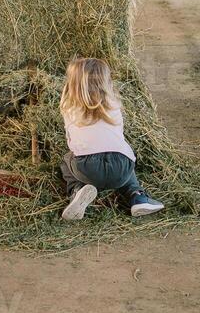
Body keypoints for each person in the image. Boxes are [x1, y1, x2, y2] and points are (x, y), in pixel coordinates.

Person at [58, 57, 165, 220]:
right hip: (121, 167)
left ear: (72, 84)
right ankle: (137, 196)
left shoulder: (68, 106)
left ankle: (77, 190)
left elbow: (71, 141)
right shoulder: (114, 103)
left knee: (66, 159)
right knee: (123, 151)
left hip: (88, 169)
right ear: (106, 82)